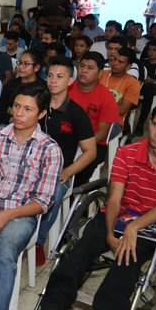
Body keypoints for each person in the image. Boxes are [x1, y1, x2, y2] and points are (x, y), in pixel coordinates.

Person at [29, 100, 156, 310]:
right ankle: (52, 309)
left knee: (127, 261)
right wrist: (110, 233)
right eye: (155, 125)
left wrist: (135, 227)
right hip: (118, 216)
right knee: (81, 249)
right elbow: (115, 199)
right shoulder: (127, 153)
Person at [0, 82, 62, 310]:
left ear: (41, 113)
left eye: (28, 109)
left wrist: (8, 215)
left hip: (21, 214)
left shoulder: (49, 149)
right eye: (17, 107)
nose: (19, 114)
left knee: (6, 253)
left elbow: (43, 201)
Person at [35, 57, 97, 265]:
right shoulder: (36, 105)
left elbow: (90, 152)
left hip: (59, 170)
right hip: (30, 163)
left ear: (70, 81)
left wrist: (67, 172)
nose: (53, 80)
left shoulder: (76, 113)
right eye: (50, 75)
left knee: (54, 193)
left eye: (60, 77)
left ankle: (37, 242)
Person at [69, 52, 120, 186]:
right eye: (82, 66)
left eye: (90, 68)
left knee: (79, 172)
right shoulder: (67, 88)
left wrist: (79, 144)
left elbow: (102, 133)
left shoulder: (106, 97)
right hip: (65, 137)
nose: (84, 71)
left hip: (93, 143)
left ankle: (75, 203)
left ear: (99, 73)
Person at [0, 50, 45, 127]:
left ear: (37, 67)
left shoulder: (43, 88)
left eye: (26, 64)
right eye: (20, 63)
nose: (21, 67)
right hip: (9, 125)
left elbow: (41, 117)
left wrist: (13, 111)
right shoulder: (10, 84)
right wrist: (11, 118)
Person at [100, 47, 140, 126]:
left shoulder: (133, 83)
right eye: (114, 59)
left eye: (120, 62)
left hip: (113, 122)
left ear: (129, 66)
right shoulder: (101, 73)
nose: (115, 63)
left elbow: (122, 110)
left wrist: (98, 106)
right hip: (92, 114)